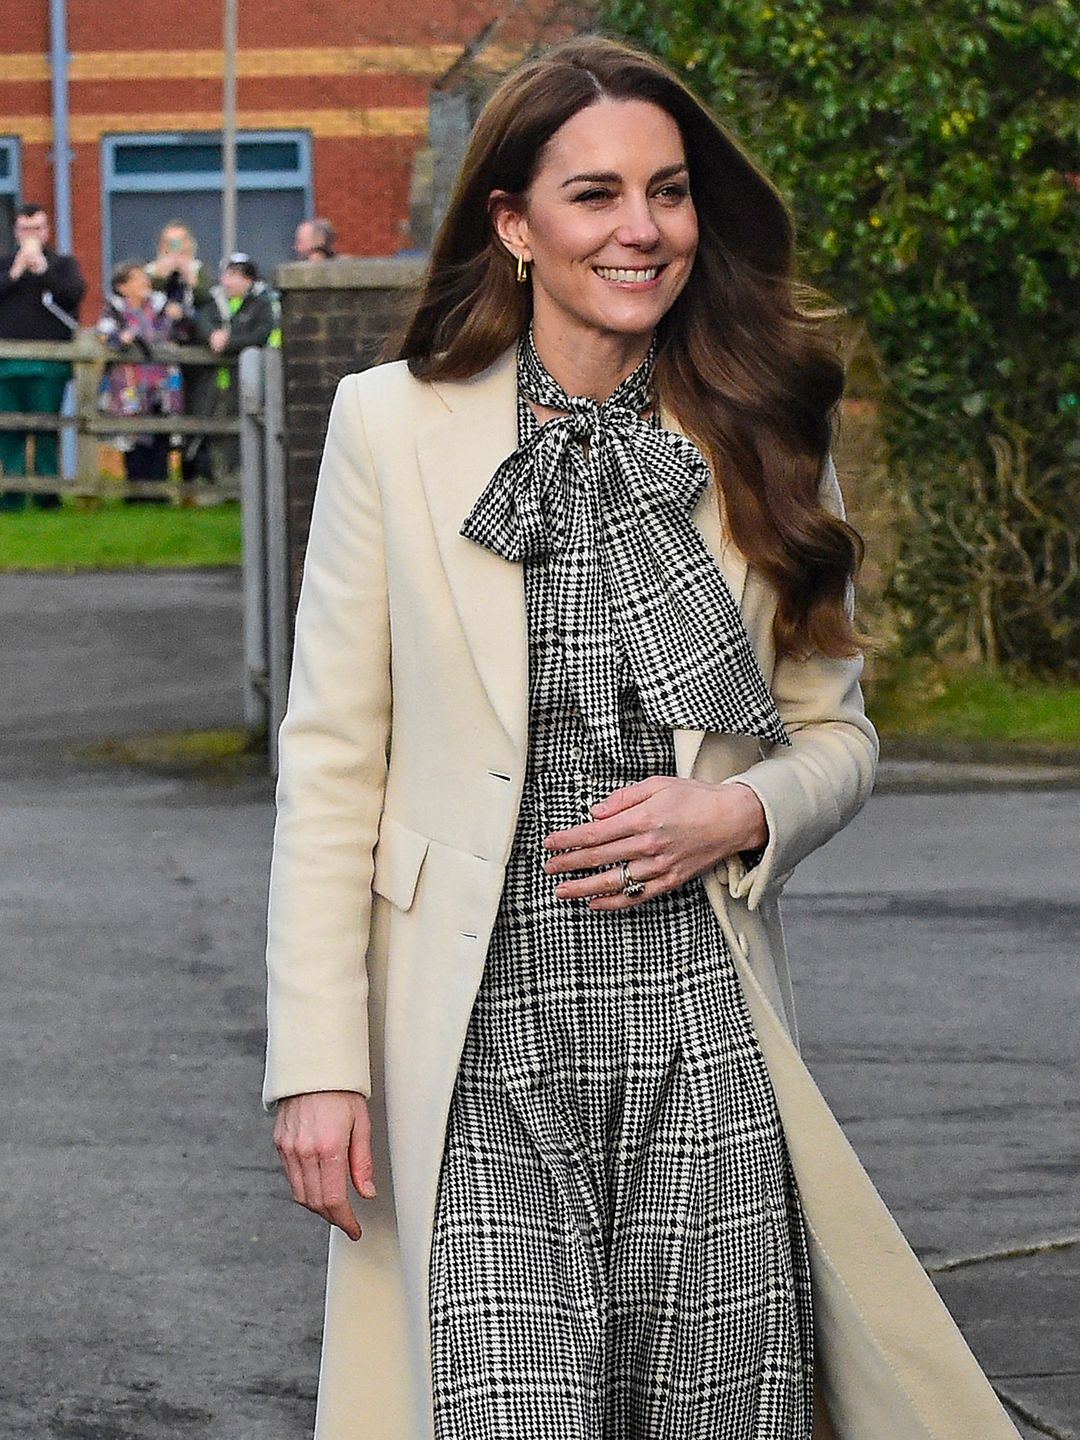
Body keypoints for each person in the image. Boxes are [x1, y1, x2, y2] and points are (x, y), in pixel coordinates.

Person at [264, 36, 1021, 1440]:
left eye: (667, 194)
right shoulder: (390, 425)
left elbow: (834, 738)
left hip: (702, 1031)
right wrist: (317, 1059)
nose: (641, 230)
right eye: (597, 194)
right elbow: (330, 768)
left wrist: (740, 815)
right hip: (476, 1038)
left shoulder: (763, 424)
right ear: (513, 225)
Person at [0, 203, 85, 511]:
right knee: (9, 431)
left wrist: (43, 272)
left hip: (49, 365)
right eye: (25, 229)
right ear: (16, 232)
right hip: (6, 365)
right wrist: (15, 273)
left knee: (47, 429)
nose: (31, 235)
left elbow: (74, 294)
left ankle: (48, 493)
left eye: (36, 229)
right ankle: (12, 493)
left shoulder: (62, 265)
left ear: (47, 231)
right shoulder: (5, 263)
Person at [96, 260, 183, 500]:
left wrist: (177, 317)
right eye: (137, 279)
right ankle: (135, 492)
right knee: (133, 436)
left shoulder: (160, 305)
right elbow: (104, 334)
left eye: (145, 278)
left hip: (161, 382)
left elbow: (177, 331)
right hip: (129, 384)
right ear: (122, 286)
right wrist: (120, 338)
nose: (144, 283)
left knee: (160, 433)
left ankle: (159, 491)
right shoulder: (113, 309)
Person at [192, 253, 276, 482]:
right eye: (227, 275)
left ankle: (241, 482)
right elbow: (200, 321)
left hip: (246, 381)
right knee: (213, 430)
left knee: (244, 430)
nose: (228, 281)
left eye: (235, 276)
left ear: (249, 279)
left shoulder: (261, 303)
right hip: (214, 382)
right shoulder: (213, 301)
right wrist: (211, 335)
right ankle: (216, 481)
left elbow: (260, 333)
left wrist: (229, 342)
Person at [146, 221, 215, 485]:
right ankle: (156, 476)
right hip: (160, 355)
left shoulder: (199, 271)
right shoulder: (152, 272)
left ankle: (194, 472)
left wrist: (190, 277)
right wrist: (161, 277)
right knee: (161, 411)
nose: (176, 248)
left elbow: (207, 300)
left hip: (194, 353)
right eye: (170, 242)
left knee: (197, 410)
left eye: (181, 241)